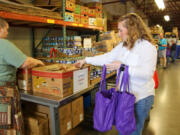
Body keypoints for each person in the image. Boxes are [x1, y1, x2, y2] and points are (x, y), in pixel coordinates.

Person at [75, 13, 157, 135]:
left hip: (141, 98)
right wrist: (86, 60)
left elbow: (147, 74)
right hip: (124, 96)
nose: (118, 34)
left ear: (131, 28)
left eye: (120, 30)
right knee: (123, 129)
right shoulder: (122, 46)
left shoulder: (147, 48)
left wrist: (123, 67)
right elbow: (107, 57)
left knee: (132, 132)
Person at [0, 18, 44, 134]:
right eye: (7, 30)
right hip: (4, 94)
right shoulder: (3, 44)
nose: (7, 33)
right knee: (8, 124)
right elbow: (24, 63)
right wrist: (38, 62)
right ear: (0, 29)